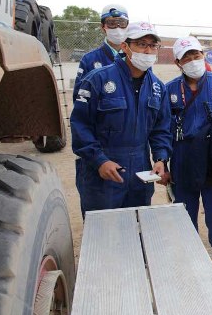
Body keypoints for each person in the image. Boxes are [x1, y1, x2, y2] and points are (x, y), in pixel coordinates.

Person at [162, 36, 212, 286]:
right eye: (186, 57)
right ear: (178, 62)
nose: (193, 61)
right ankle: (190, 260)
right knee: (185, 217)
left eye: (196, 55)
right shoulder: (170, 90)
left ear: (203, 55)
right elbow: (162, 130)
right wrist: (163, 163)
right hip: (183, 164)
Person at [71, 22, 172, 216]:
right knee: (104, 233)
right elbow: (80, 125)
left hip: (139, 174)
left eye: (153, 45)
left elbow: (161, 129)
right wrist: (100, 161)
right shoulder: (97, 80)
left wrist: (160, 159)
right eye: (142, 44)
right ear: (125, 47)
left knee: (136, 228)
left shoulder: (158, 87)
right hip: (102, 175)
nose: (148, 50)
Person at [73, 4, 129, 101]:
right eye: (111, 23)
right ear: (103, 27)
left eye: (122, 23)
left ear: (128, 26)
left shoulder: (137, 57)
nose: (118, 27)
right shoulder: (89, 60)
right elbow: (80, 99)